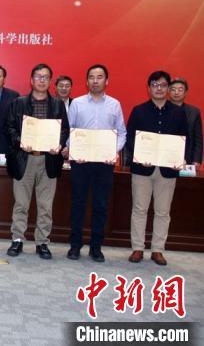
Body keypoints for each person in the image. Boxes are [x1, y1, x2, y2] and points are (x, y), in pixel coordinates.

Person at [5, 63, 69, 260]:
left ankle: (42, 242)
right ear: (31, 80)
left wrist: (58, 144)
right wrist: (20, 141)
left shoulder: (57, 105)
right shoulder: (18, 103)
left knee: (45, 205)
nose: (42, 80)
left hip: (48, 160)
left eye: (45, 77)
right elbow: (9, 128)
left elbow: (64, 130)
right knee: (21, 203)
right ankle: (17, 239)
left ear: (50, 81)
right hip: (25, 159)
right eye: (38, 77)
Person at [124, 71, 188, 266]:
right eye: (155, 85)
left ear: (167, 88)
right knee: (139, 209)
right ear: (149, 88)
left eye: (162, 85)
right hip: (142, 169)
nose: (159, 88)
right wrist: (139, 156)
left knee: (163, 212)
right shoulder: (139, 110)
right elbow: (130, 138)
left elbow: (183, 139)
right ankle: (137, 248)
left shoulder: (178, 113)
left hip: (168, 170)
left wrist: (180, 158)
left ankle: (158, 250)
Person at [64, 65, 126, 262]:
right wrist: (73, 149)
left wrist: (114, 151)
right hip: (81, 162)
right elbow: (68, 131)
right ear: (87, 81)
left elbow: (122, 133)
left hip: (104, 164)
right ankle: (75, 246)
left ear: (106, 81)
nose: (95, 80)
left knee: (100, 205)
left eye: (99, 77)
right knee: (78, 204)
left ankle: (96, 247)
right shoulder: (77, 103)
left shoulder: (114, 105)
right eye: (91, 77)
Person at [169, 78, 202, 167]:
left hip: (187, 157)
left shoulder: (194, 112)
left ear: (185, 92)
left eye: (180, 90)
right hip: (166, 157)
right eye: (173, 89)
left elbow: (198, 139)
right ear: (168, 91)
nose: (176, 92)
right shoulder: (161, 110)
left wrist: (196, 160)